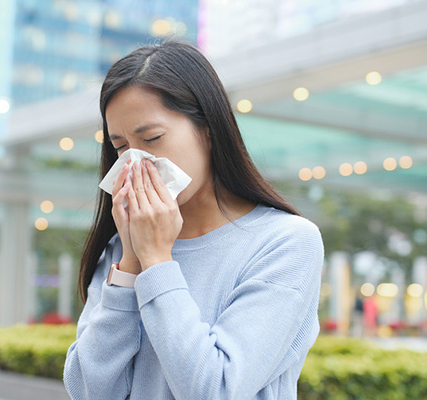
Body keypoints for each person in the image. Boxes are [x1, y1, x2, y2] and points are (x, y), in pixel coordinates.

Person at [63, 40, 324, 400]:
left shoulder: (285, 243)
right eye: (121, 147)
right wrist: (131, 263)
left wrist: (156, 259)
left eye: (152, 138)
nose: (136, 162)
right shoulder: (123, 248)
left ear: (208, 129)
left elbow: (214, 389)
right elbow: (90, 391)